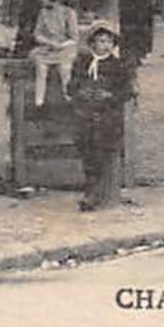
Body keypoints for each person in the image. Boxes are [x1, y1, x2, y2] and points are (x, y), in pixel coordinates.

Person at [68, 20, 134, 212]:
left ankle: (98, 193)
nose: (104, 45)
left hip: (107, 117)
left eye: (108, 42)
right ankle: (90, 189)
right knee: (87, 154)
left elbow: (126, 91)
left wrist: (110, 95)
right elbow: (71, 87)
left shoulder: (117, 65)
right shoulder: (82, 63)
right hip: (86, 115)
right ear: (92, 43)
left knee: (103, 153)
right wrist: (81, 92)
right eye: (100, 41)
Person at [31, 0, 80, 105]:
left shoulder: (69, 13)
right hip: (47, 49)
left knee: (65, 69)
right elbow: (37, 33)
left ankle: (68, 100)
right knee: (40, 67)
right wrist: (48, 42)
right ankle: (39, 102)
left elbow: (74, 38)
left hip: (65, 49)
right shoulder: (43, 13)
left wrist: (61, 45)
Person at [120, 0, 156, 64]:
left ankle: (131, 55)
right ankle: (137, 55)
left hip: (130, 13)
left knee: (130, 35)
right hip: (142, 14)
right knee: (140, 35)